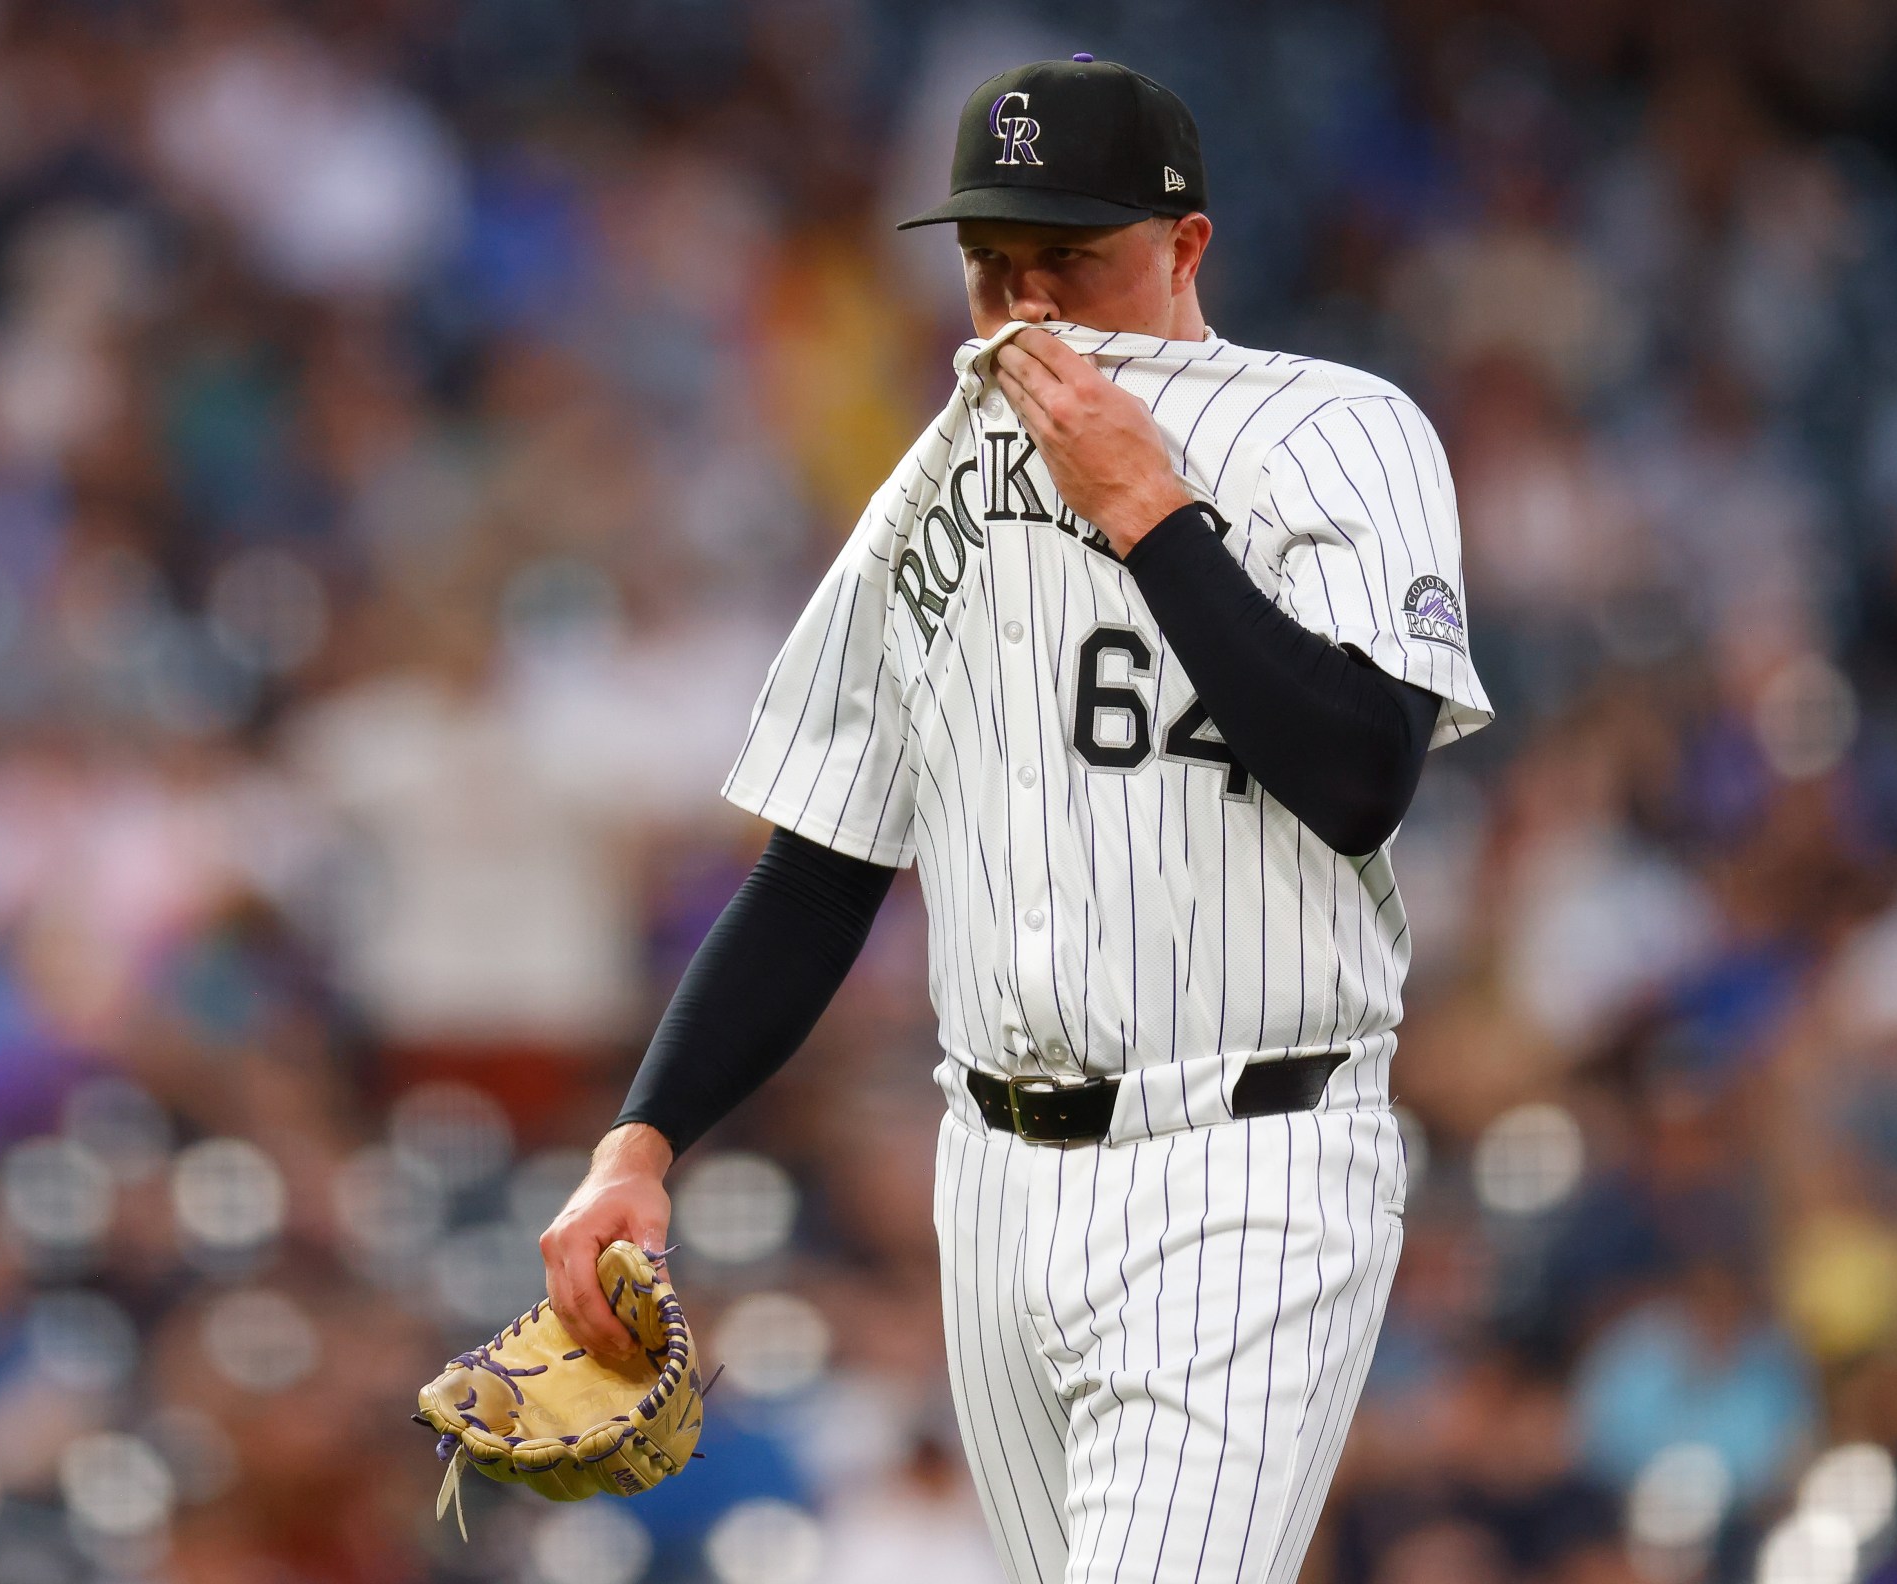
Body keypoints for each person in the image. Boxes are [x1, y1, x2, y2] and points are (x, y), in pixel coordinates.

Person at [541, 56, 1491, 1584]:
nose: (1030, 311)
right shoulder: (930, 489)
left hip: (1248, 1156)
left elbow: (1361, 773)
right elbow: (818, 869)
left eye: (1075, 261)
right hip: (993, 1179)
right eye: (997, 270)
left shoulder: (1338, 432)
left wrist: (1152, 516)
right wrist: (640, 1144)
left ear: (1185, 249)